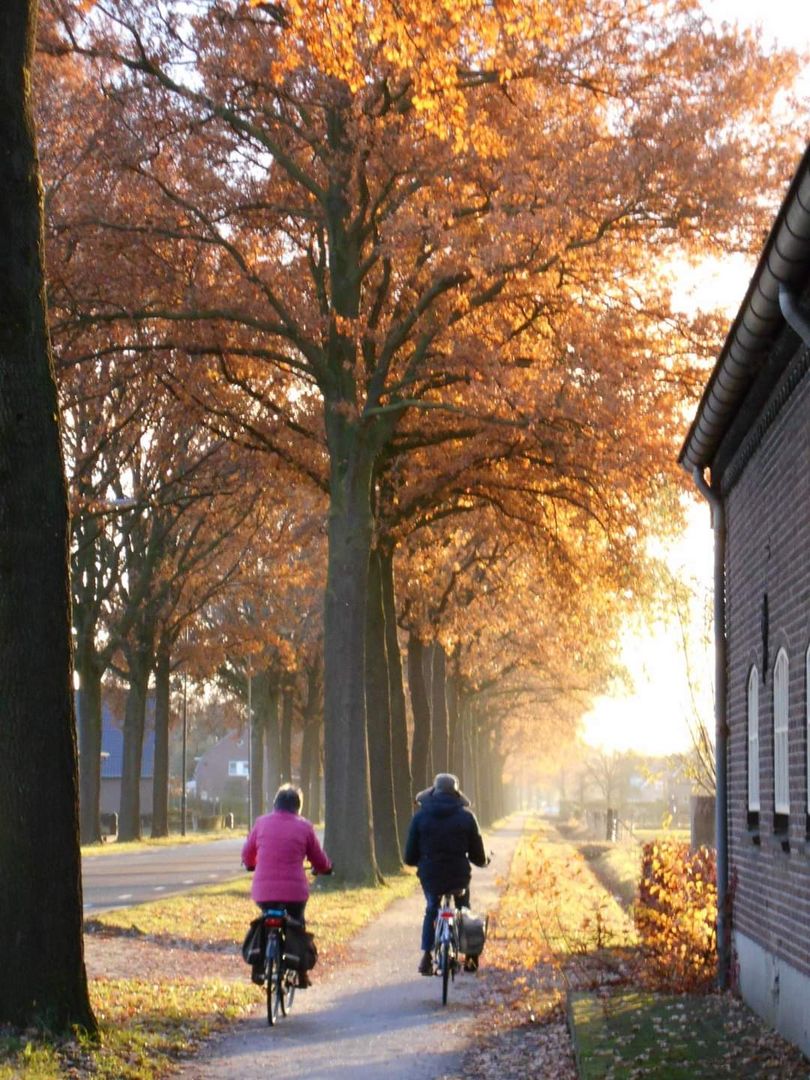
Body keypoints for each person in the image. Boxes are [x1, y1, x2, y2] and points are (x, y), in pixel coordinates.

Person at [242, 783, 332, 986]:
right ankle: (300, 973)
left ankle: (258, 967)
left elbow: (247, 853)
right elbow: (318, 858)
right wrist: (325, 868)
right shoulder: (305, 826)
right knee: (296, 923)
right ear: (298, 807)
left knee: (266, 918)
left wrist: (251, 865)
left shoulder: (261, 823)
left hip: (264, 892)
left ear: (275, 804)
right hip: (294, 893)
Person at [404, 772, 488, 975]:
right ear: (457, 794)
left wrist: (420, 862)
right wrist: (481, 861)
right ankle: (470, 958)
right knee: (463, 908)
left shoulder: (420, 817)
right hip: (458, 874)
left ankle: (426, 956)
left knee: (432, 908)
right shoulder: (467, 817)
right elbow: (477, 854)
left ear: (433, 793)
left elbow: (409, 856)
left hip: (431, 874)